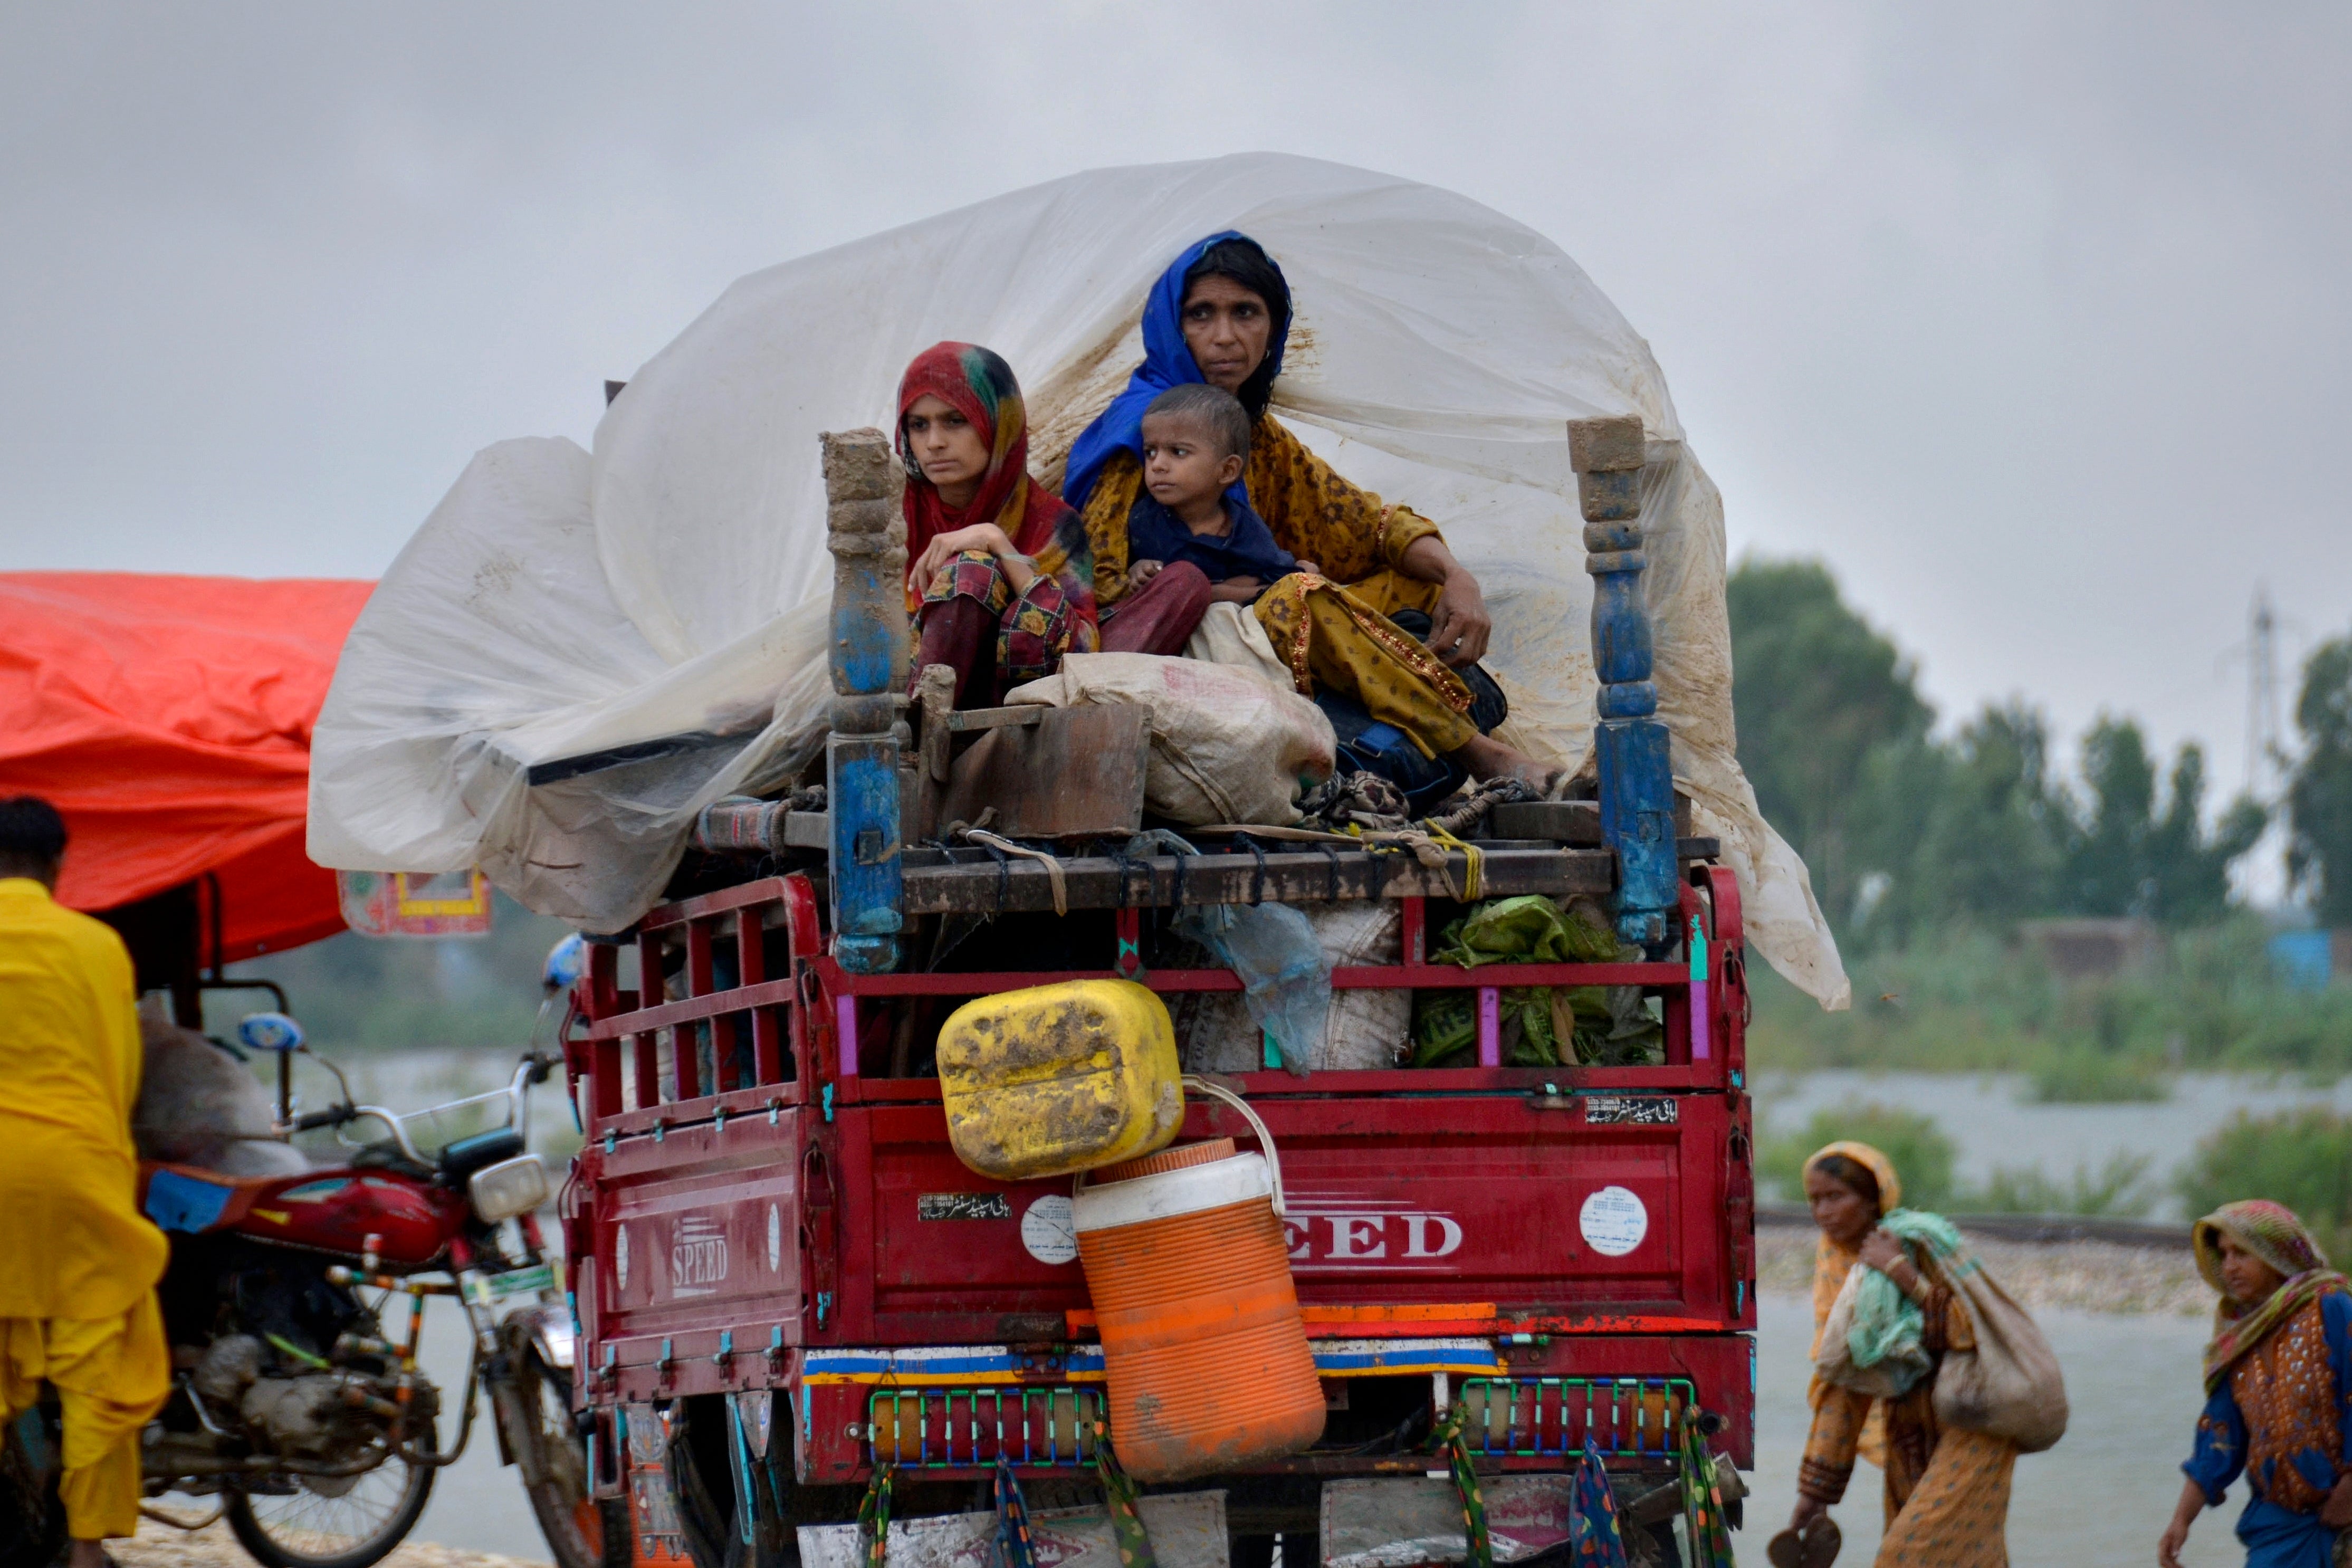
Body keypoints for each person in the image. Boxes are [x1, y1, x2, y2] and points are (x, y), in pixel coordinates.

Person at [1064, 233, 1550, 783]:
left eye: (1245, 312)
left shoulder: (1255, 440)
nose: (1225, 337)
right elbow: (1097, 592)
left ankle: (1418, 742)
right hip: (1181, 652)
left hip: (1261, 624)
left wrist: (1457, 577)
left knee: (1417, 588)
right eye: (1202, 314)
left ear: (1273, 328)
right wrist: (1230, 591)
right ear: (1171, 326)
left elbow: (1366, 525)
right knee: (1303, 597)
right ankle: (1477, 752)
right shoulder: (1141, 438)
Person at [0, 796, 171, 1567]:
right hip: (75, 1168)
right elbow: (119, 1076)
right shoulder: (98, 946)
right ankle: (86, 1548)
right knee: (97, 1357)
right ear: (61, 864)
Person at [897, 341, 1207, 711]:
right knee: (972, 571)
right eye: (919, 425)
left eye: (955, 420)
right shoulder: (893, 514)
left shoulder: (1054, 524)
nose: (934, 443)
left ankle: (1030, 733)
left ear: (1000, 422)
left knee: (1188, 583)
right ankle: (920, 738)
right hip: (924, 698)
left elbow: (1080, 650)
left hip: (1035, 697)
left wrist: (999, 545)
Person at [1791, 1141, 2017, 1566]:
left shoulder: (1926, 1243)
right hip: (1909, 1437)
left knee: (1906, 1556)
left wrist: (1899, 1271)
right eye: (1815, 1200)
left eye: (1836, 1197)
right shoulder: (1840, 1269)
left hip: (1971, 1432)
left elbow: (1973, 1330)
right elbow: (1844, 1384)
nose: (1823, 1212)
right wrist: (1815, 1496)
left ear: (1875, 1198)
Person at [2159, 1200, 2352, 1568]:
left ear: (2276, 1254)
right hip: (2278, 1530)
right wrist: (2181, 1520)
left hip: (2343, 1519)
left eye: (2242, 1253)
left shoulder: (2331, 1306)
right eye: (2223, 1254)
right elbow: (2219, 1438)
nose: (2230, 1266)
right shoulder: (2240, 1339)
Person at [1125, 383, 1318, 605]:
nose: (1157, 465)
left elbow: (1278, 579)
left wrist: (1212, 593)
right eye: (1150, 452)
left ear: (1227, 470)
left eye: (1178, 452)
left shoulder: (1242, 527)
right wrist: (1138, 570)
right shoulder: (1143, 519)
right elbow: (1131, 579)